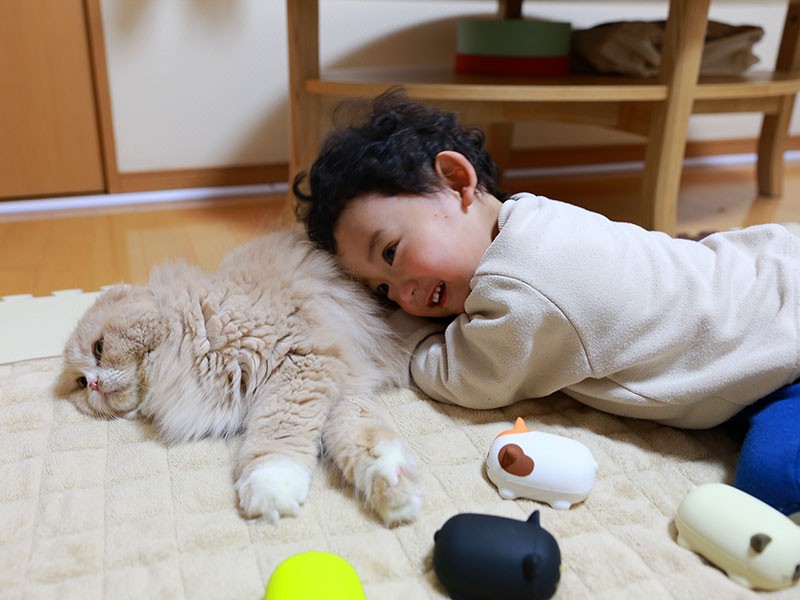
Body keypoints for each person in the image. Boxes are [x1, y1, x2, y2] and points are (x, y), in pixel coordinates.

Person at [293, 88, 800, 520]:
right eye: (380, 290)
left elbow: (469, 377)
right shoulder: (528, 221)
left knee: (771, 483)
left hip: (777, 351)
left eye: (391, 253)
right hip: (764, 279)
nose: (401, 293)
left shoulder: (528, 287)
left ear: (456, 182)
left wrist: (398, 337)